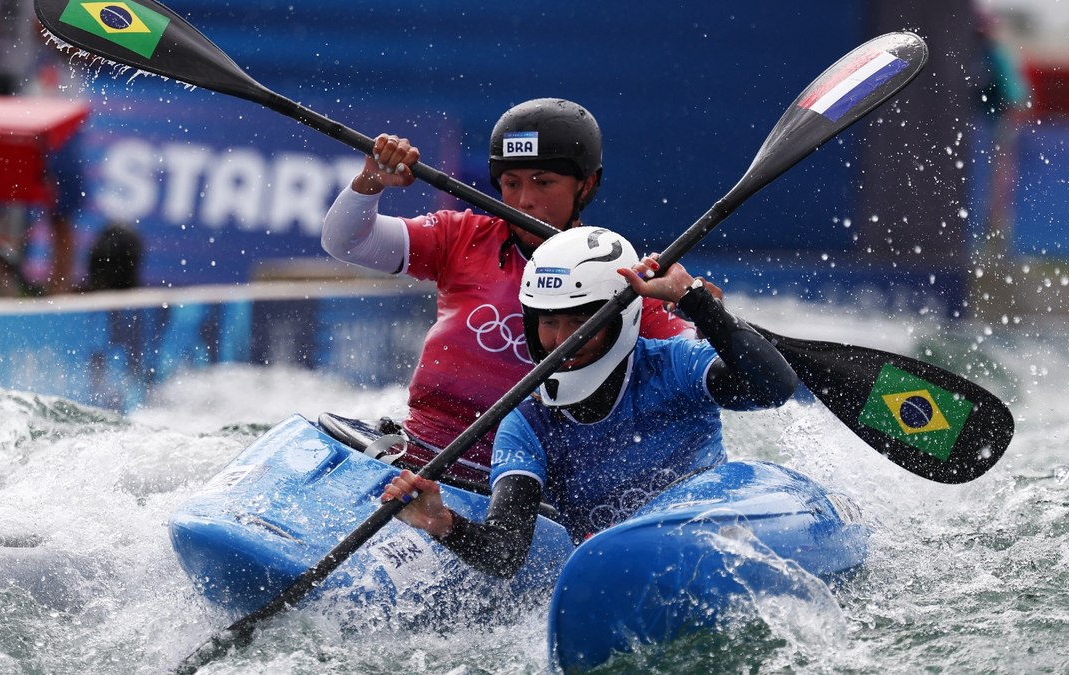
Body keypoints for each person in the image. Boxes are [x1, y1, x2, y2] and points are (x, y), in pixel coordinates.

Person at [323, 99, 716, 484]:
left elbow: (699, 370)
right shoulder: (461, 236)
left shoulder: (623, 278)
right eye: (511, 183)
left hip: (521, 487)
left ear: (586, 185)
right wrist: (371, 181)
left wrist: (702, 313)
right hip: (417, 454)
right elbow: (347, 243)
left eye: (543, 182)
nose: (525, 199)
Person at [380, 227, 797, 576]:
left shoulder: (675, 366)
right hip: (619, 576)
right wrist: (443, 524)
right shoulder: (526, 424)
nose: (562, 341)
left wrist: (695, 300)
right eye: (548, 321)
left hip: (713, 546)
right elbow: (505, 554)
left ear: (622, 319)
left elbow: (773, 389)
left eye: (581, 321)